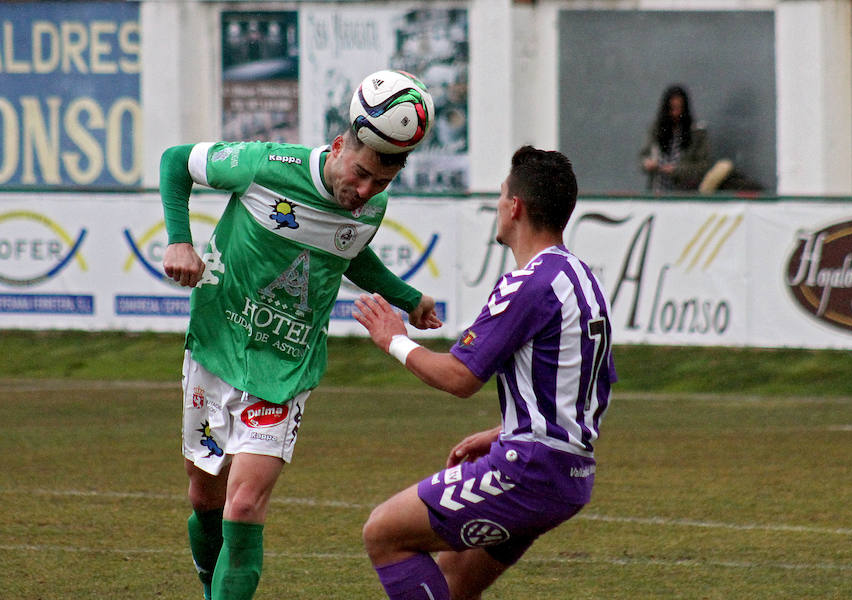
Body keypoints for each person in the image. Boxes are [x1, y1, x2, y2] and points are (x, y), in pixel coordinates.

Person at [160, 77, 441, 600]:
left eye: (379, 184)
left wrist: (408, 298)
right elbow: (176, 160)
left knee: (243, 508)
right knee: (206, 500)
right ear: (338, 147)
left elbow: (349, 250)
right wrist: (179, 239)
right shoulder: (264, 165)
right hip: (215, 348)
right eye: (359, 174)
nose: (363, 193)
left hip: (286, 370)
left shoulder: (369, 209)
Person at [353, 145, 617, 600]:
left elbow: (460, 377)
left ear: (515, 206)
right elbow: (582, 391)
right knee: (452, 584)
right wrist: (503, 431)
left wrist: (393, 339)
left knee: (383, 534)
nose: (498, 204)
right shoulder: (580, 278)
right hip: (569, 475)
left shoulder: (527, 283)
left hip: (529, 471)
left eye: (501, 195)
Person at [639, 84, 712, 192]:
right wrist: (647, 163)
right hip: (657, 191)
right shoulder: (656, 130)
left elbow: (703, 166)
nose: (675, 113)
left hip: (685, 193)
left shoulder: (697, 132)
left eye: (679, 108)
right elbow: (643, 156)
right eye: (671, 109)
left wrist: (677, 170)